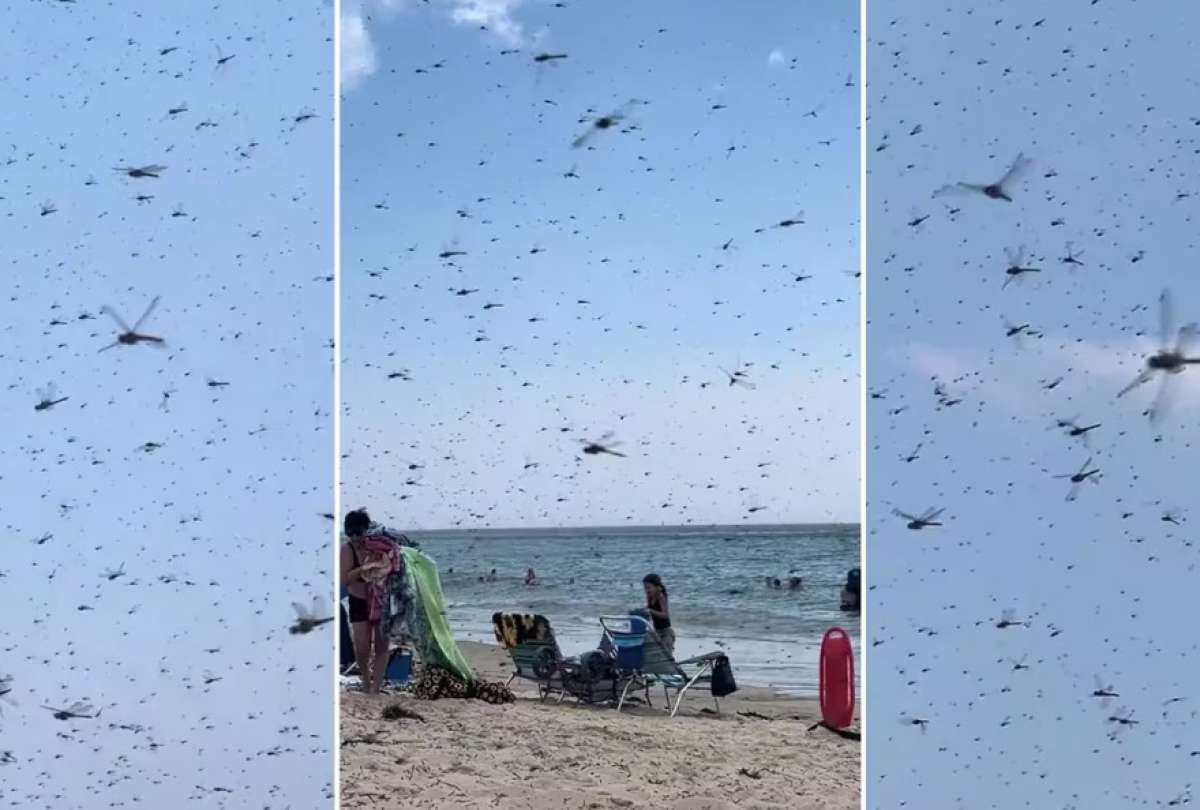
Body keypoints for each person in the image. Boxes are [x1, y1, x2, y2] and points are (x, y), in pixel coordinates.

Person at [339, 509, 400, 694]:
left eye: (358, 532)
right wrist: (363, 568)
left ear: (366, 530)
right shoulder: (347, 550)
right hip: (358, 601)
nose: (354, 537)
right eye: (350, 533)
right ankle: (366, 682)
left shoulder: (377, 546)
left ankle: (375, 688)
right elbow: (344, 579)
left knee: (382, 645)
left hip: (381, 600)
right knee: (362, 647)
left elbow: (394, 566)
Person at [642, 573, 674, 656]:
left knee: (667, 656)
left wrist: (650, 611)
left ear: (656, 586)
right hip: (657, 631)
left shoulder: (661, 596)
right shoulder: (649, 596)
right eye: (645, 588)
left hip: (666, 632)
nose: (647, 590)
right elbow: (649, 612)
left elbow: (665, 615)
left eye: (649, 587)